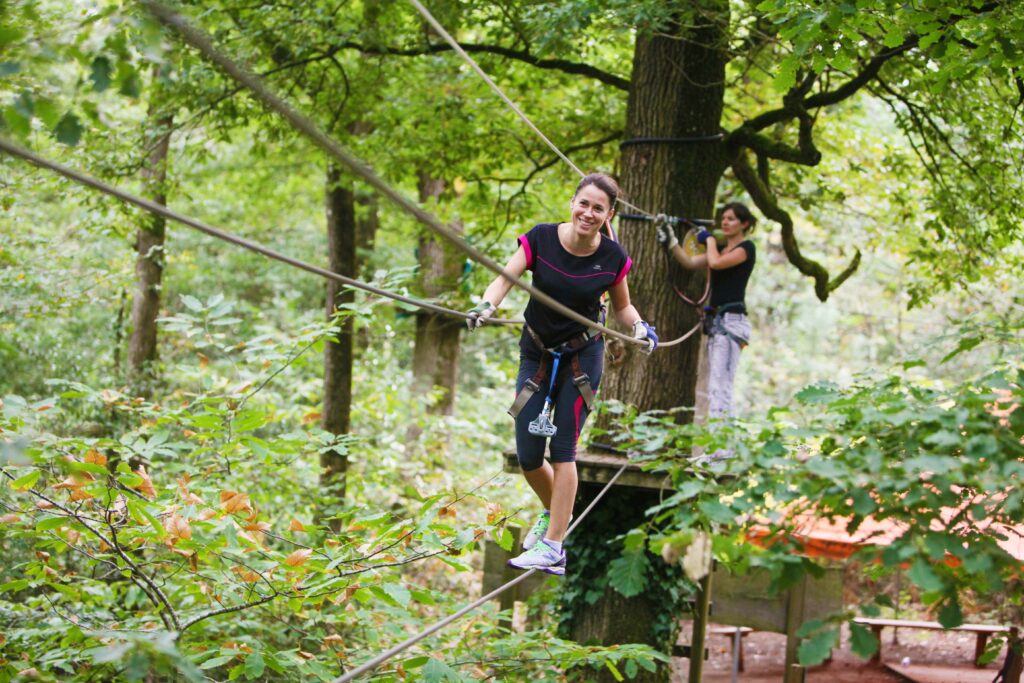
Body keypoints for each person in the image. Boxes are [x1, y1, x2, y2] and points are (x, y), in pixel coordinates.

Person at [465, 173, 658, 575]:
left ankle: (554, 544)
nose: (588, 213)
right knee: (529, 454)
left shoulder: (613, 257)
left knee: (564, 448)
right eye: (583, 204)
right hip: (536, 352)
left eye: (598, 208)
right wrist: (486, 304)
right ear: (572, 203)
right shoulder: (540, 239)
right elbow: (505, 278)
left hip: (581, 359)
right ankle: (552, 513)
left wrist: (639, 328)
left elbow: (623, 308)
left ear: (609, 215)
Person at [656, 202, 757, 423]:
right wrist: (672, 239)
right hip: (719, 323)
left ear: (744, 224)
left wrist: (709, 239)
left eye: (731, 219)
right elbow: (690, 262)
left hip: (732, 323)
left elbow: (716, 263)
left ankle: (720, 454)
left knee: (721, 387)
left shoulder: (746, 248)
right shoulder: (719, 250)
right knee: (716, 386)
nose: (725, 222)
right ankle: (718, 451)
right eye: (724, 218)